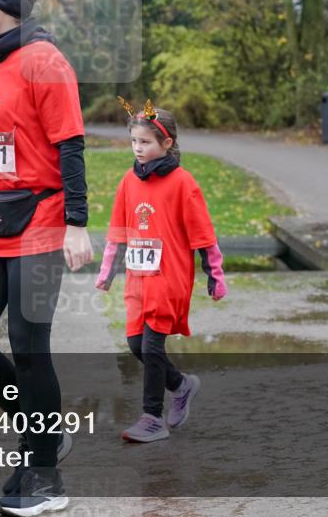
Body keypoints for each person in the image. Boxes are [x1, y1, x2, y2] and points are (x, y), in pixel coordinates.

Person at [0, 0, 93, 517]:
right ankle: (45, 434)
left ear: (3, 5)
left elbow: (70, 146)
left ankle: (45, 479)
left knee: (30, 350)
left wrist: (78, 225)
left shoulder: (44, 61)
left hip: (40, 222)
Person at [95, 100, 227, 443]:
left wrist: (215, 275)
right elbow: (117, 231)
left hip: (169, 278)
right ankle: (181, 386)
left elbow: (205, 236)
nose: (138, 149)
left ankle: (152, 418)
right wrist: (107, 271)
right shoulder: (128, 181)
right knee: (136, 344)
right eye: (134, 142)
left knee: (152, 346)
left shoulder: (184, 183)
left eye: (146, 142)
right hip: (137, 278)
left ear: (166, 144)